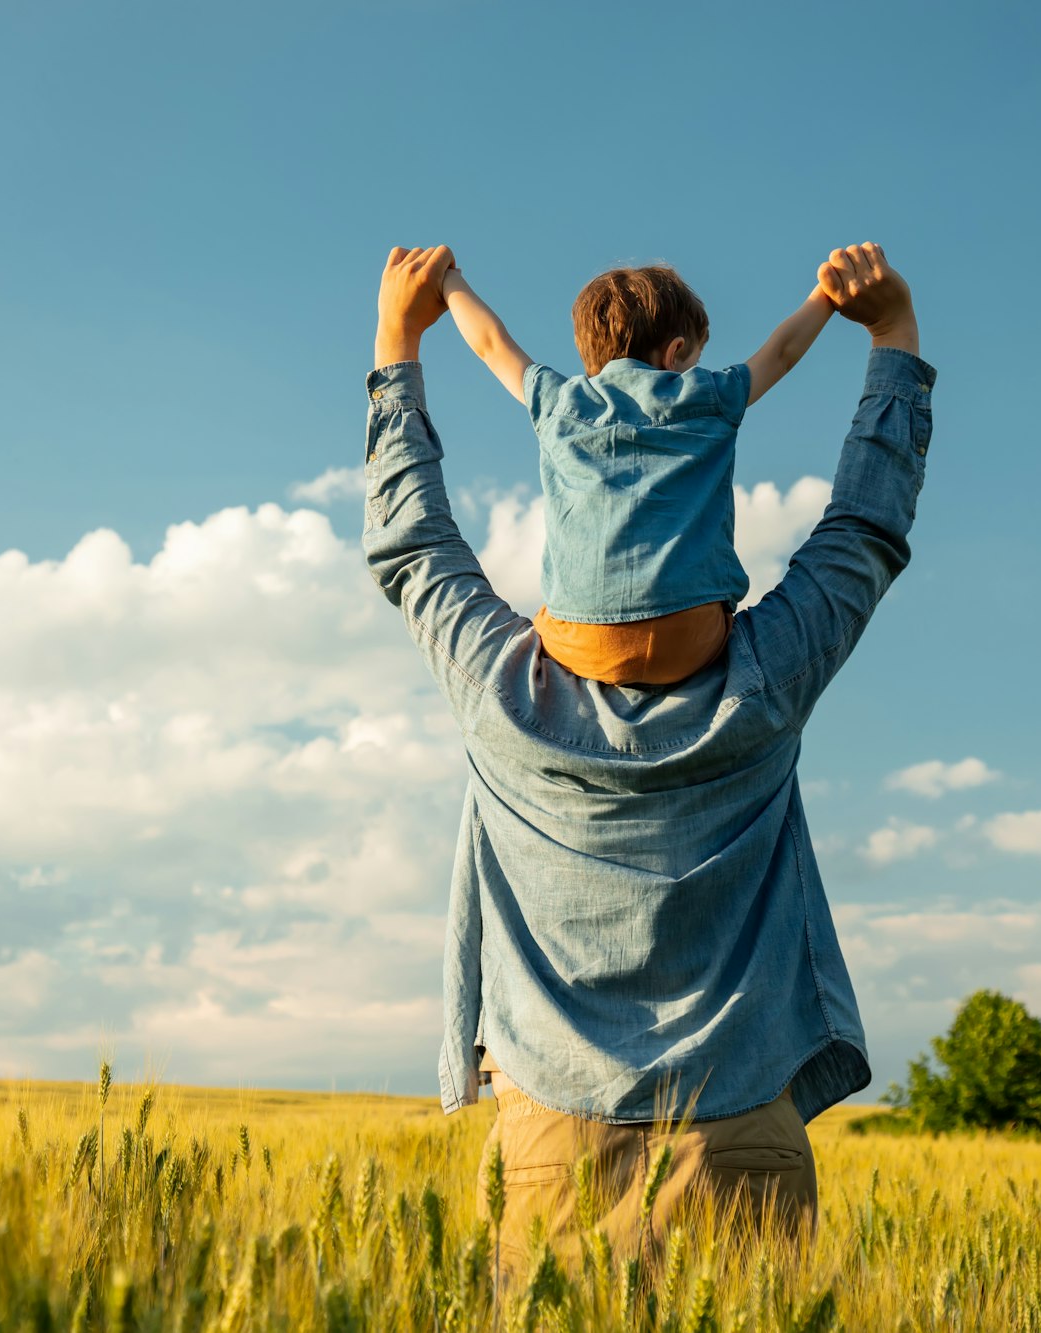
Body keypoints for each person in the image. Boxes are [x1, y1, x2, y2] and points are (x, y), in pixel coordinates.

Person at [362, 242, 934, 1273]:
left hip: (547, 1156)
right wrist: (889, 337)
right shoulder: (764, 684)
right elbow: (862, 529)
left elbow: (412, 547)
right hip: (741, 1139)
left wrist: (398, 342)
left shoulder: (502, 698)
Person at [439, 259, 837, 685]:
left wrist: (448, 280)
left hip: (583, 645)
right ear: (675, 352)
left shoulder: (558, 402)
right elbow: (782, 352)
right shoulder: (709, 395)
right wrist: (826, 295)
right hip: (692, 641)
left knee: (540, 618)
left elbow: (490, 343)